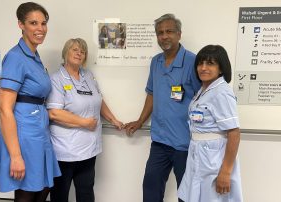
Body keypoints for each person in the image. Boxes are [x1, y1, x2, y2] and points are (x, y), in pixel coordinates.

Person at [124, 14, 201, 202]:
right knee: (150, 189)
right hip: (160, 141)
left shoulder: (193, 62)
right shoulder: (156, 62)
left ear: (179, 34)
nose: (164, 36)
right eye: (160, 33)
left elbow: (203, 100)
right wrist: (140, 120)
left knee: (187, 194)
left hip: (186, 143)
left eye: (169, 31)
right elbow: (151, 93)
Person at [0, 2, 61, 202]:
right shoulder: (15, 57)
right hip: (23, 134)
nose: (40, 29)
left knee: (43, 185)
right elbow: (4, 108)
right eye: (33, 23)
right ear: (21, 25)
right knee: (27, 191)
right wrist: (15, 156)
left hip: (39, 130)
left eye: (43, 23)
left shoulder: (34, 56)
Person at [46, 38, 123, 202]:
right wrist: (84, 123)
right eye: (74, 49)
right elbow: (54, 113)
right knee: (60, 194)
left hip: (88, 149)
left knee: (86, 191)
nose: (79, 53)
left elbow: (99, 101)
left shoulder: (88, 75)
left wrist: (113, 119)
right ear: (66, 53)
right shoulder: (56, 79)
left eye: (82, 51)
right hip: (65, 151)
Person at [178, 45, 243, 202]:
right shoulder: (204, 90)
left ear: (221, 68)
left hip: (213, 158)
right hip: (199, 153)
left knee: (212, 197)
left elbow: (234, 134)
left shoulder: (222, 92)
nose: (203, 68)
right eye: (200, 63)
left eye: (210, 63)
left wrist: (226, 172)